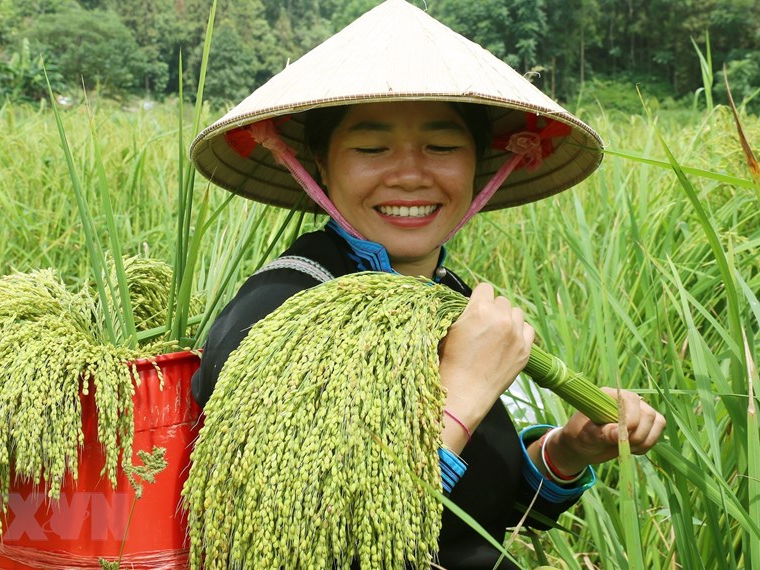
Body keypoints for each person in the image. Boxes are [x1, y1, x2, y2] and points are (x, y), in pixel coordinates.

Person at [188, 1, 666, 568]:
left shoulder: (447, 300)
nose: (411, 175)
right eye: (372, 149)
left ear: (478, 165)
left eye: (441, 147)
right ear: (320, 164)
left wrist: (566, 450)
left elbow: (477, 517)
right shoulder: (275, 314)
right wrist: (463, 391)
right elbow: (315, 542)